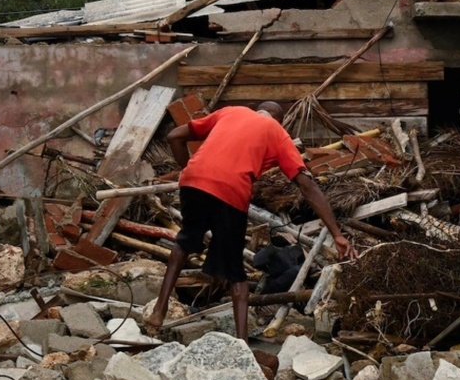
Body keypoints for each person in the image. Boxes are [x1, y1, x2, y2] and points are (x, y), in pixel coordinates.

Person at [144, 101, 355, 339]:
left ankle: (158, 312)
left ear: (257, 111)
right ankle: (242, 342)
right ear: (280, 120)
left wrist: (189, 169)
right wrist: (337, 233)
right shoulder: (277, 133)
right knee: (236, 273)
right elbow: (307, 185)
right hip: (231, 192)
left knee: (184, 242)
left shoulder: (230, 112)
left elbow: (174, 136)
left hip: (193, 181)